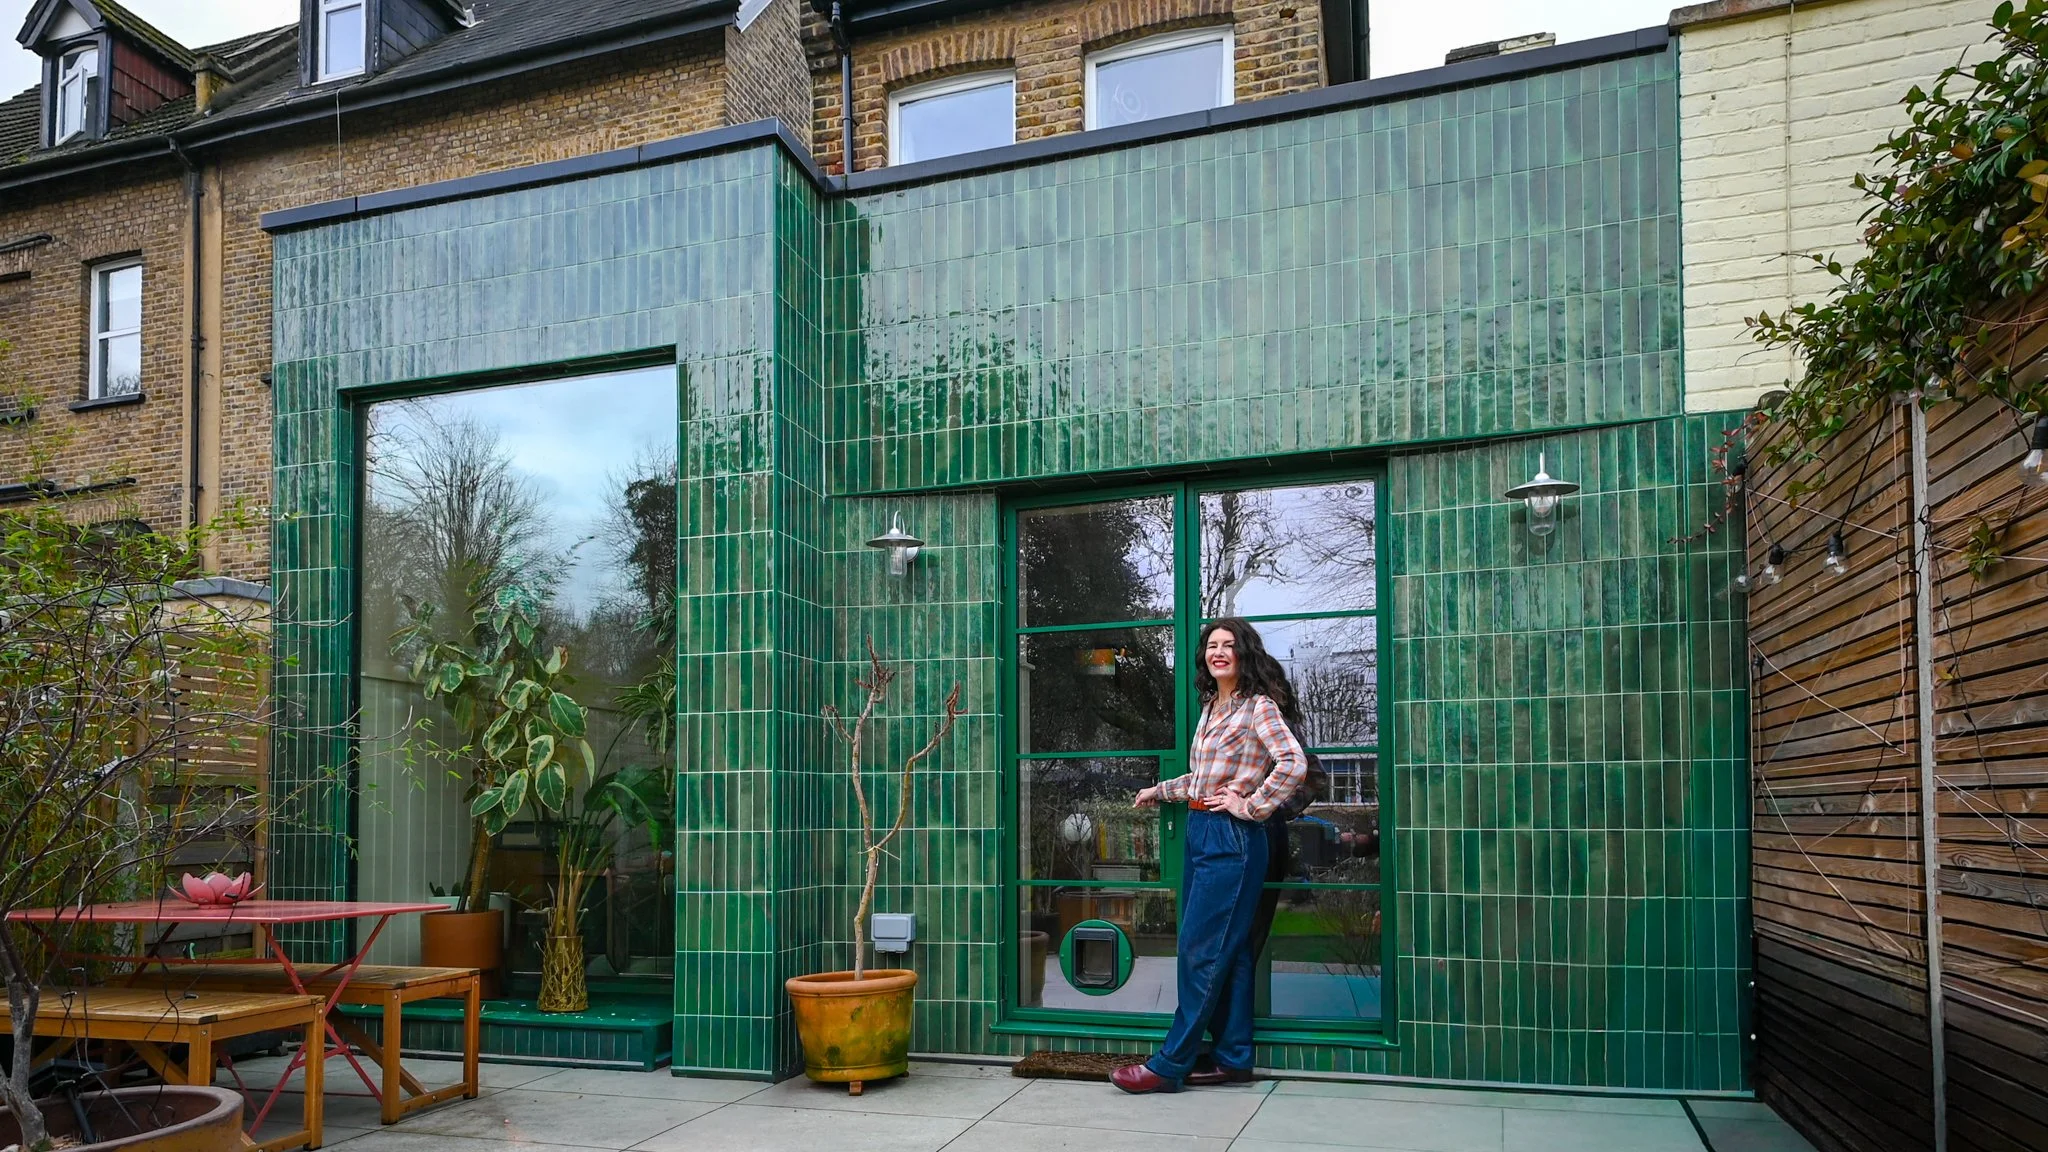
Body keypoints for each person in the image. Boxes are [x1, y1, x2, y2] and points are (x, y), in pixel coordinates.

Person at [1113, 618, 1308, 1094]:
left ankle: (1170, 1062)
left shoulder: (1258, 706)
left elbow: (1293, 763)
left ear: (1244, 654)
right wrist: (1159, 791)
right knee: (1233, 950)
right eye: (1211, 646)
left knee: (1200, 952)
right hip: (1202, 829)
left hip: (1233, 837)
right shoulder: (1210, 708)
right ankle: (1234, 1058)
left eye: (1228, 645)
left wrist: (1254, 805)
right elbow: (1203, 780)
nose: (1218, 652)